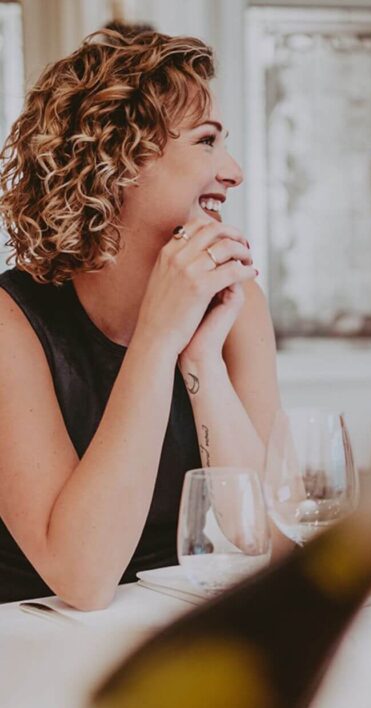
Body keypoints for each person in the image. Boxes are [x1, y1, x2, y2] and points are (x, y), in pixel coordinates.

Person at [0, 27, 282, 607]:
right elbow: (83, 579)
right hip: (36, 642)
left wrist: (201, 356)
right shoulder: (11, 323)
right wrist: (157, 341)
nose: (232, 171)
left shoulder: (238, 302)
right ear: (116, 161)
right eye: (206, 141)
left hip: (177, 627)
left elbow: (270, 544)